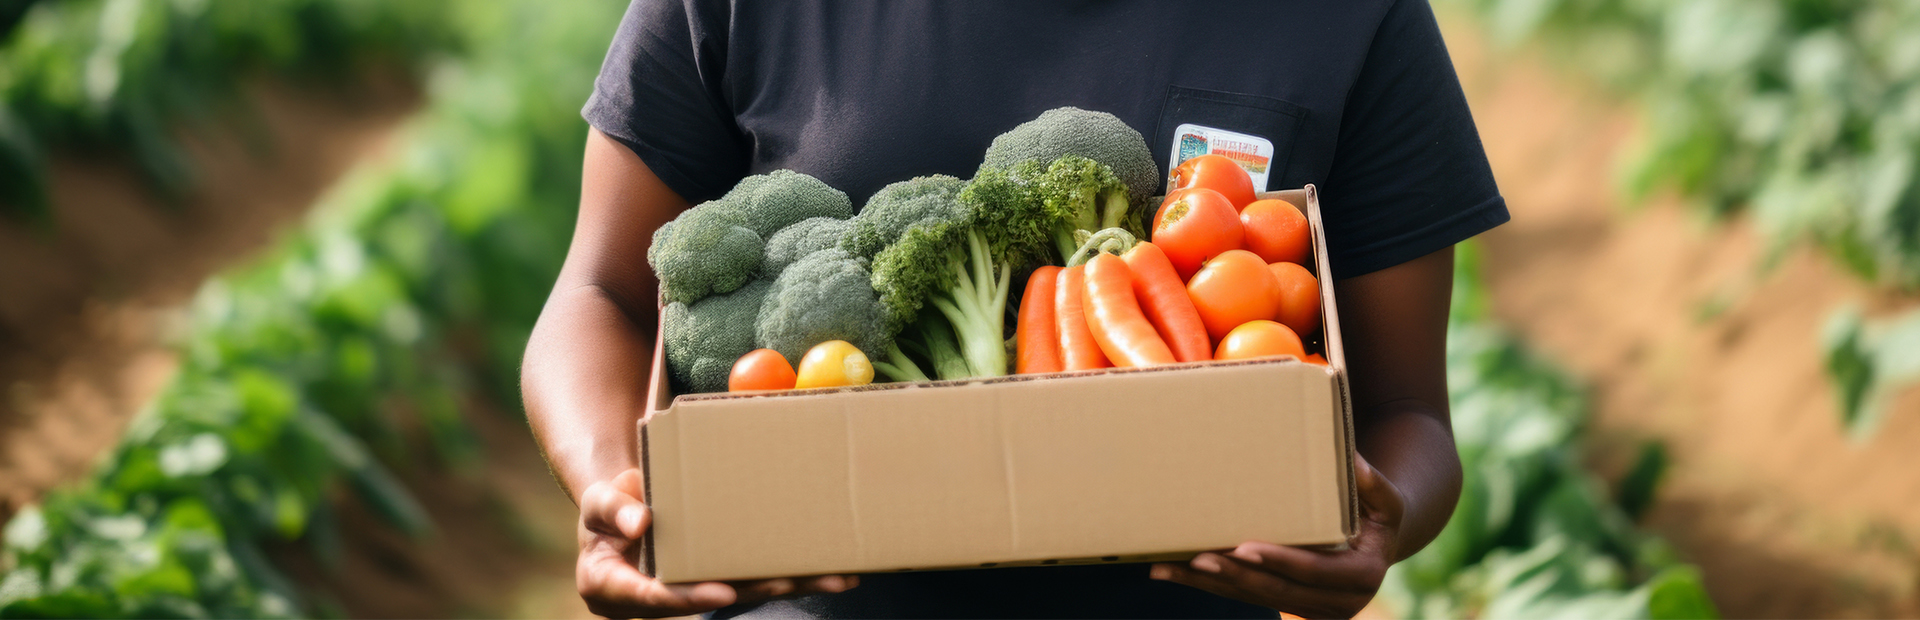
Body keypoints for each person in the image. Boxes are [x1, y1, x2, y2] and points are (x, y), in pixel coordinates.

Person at [521, 1, 1508, 617]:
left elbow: (1409, 415)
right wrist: (614, 487)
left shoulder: (1350, 16)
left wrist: (1383, 520)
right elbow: (600, 291)